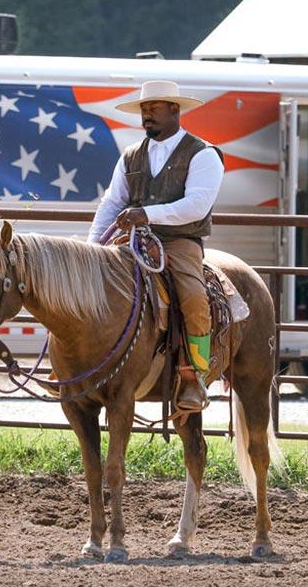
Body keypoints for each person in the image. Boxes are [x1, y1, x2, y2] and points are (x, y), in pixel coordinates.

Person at [88, 80, 225, 411]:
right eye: (143, 110)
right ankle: (82, 365)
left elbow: (196, 206)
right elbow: (112, 202)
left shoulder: (204, 154)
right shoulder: (131, 155)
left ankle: (194, 376)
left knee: (193, 297)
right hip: (130, 241)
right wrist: (92, 246)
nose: (146, 116)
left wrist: (145, 214)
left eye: (153, 109)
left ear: (175, 110)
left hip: (179, 242)